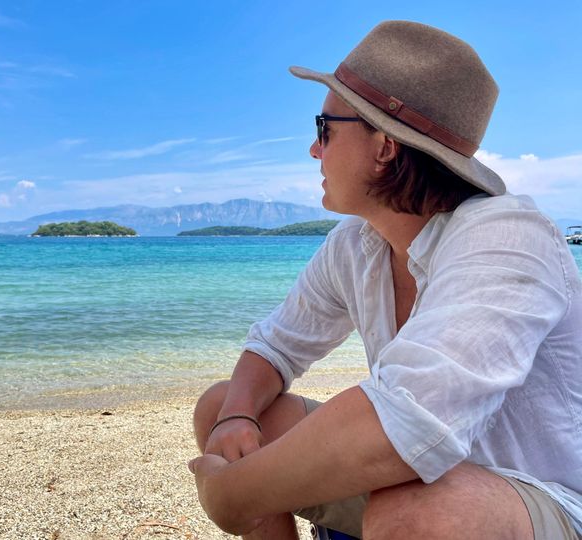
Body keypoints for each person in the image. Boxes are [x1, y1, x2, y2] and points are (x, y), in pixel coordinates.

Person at [188, 20, 582, 540]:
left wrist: (229, 495)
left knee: (423, 514)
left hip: (543, 498)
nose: (313, 149)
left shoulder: (508, 237)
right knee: (225, 407)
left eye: (324, 128)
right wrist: (234, 417)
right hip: (418, 478)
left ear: (384, 146)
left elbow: (411, 422)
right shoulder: (358, 243)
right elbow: (276, 346)